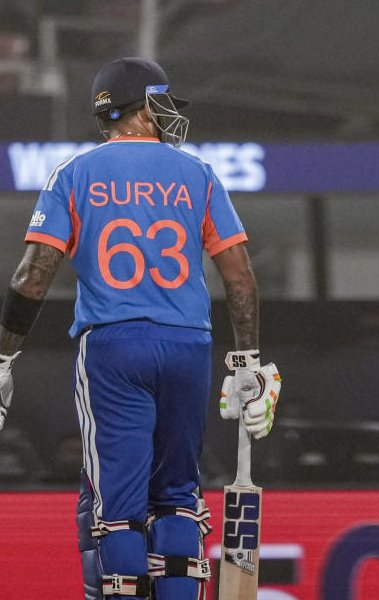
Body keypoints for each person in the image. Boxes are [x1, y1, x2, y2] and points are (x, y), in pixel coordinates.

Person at [0, 56, 282, 599]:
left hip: (113, 348)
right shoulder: (197, 173)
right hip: (188, 348)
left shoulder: (74, 174)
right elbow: (240, 276)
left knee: (116, 509)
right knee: (178, 495)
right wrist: (248, 362)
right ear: (140, 106)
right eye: (162, 99)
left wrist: (5, 357)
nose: (170, 111)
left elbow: (32, 276)